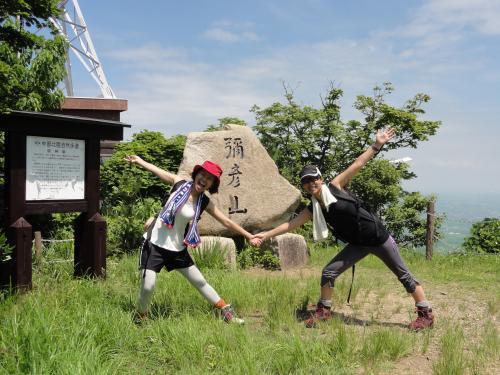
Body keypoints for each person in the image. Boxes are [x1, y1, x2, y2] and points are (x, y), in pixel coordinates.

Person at [255, 129, 434, 330]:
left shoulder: (335, 186)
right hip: (357, 244)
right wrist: (265, 234)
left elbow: (358, 164)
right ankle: (324, 311)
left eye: (313, 179)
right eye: (305, 182)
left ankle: (425, 314)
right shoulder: (313, 208)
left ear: (320, 179)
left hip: (378, 238)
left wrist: (377, 145)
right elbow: (290, 225)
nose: (310, 183)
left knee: (403, 275)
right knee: (329, 272)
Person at [124, 155, 262, 324]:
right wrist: (139, 161)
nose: (204, 179)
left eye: (210, 179)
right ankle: (141, 317)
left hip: (177, 248)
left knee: (200, 281)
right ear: (196, 174)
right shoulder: (179, 184)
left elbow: (226, 221)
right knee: (148, 286)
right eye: (203, 174)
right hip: (155, 243)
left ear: (212, 184)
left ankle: (226, 312)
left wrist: (248, 236)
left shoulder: (203, 202)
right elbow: (158, 171)